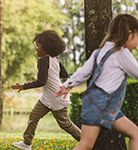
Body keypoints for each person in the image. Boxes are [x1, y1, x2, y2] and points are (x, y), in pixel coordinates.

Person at [56, 13, 138, 150]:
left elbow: (83, 72)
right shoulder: (122, 52)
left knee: (135, 133)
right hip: (101, 104)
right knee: (86, 145)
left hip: (104, 105)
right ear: (130, 34)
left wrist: (67, 85)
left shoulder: (99, 52)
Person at [11, 30, 81, 150]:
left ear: (47, 48)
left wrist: (23, 86)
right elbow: (65, 73)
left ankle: (88, 141)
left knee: (65, 124)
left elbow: (41, 81)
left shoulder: (43, 60)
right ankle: (26, 143)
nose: (35, 48)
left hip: (56, 97)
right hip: (48, 97)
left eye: (38, 45)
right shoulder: (55, 60)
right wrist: (54, 75)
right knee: (33, 116)